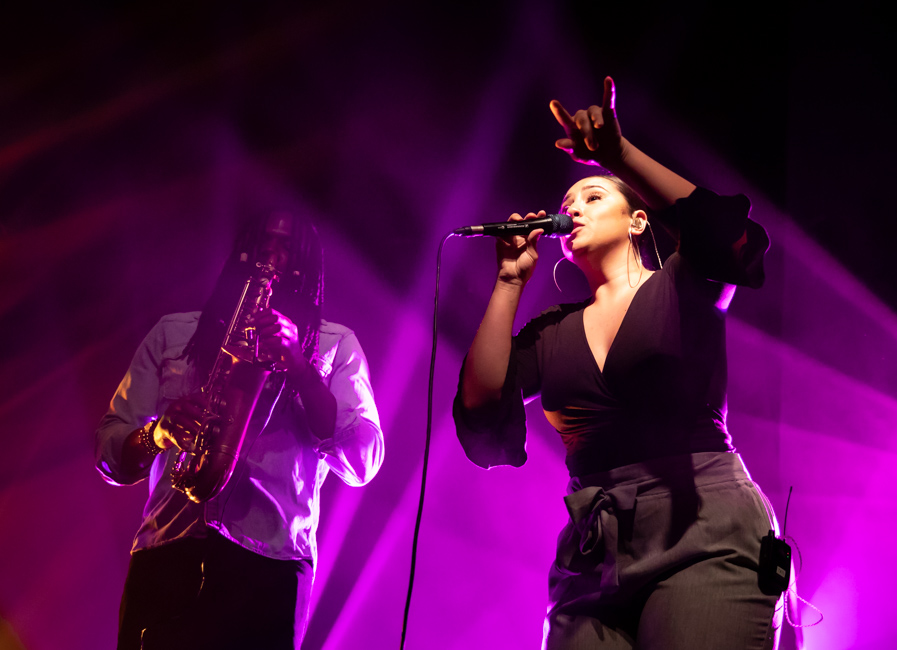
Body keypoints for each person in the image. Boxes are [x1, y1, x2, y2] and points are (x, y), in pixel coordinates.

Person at [453, 76, 782, 649]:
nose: (572, 208)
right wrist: (508, 280)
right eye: (566, 203)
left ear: (637, 222)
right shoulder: (550, 333)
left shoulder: (683, 282)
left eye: (593, 196)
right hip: (594, 554)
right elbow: (480, 409)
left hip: (704, 532)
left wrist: (616, 155)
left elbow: (724, 233)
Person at [95, 210, 384, 649]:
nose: (273, 253)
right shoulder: (175, 333)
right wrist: (157, 435)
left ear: (307, 263)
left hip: (270, 571)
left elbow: (363, 461)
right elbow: (109, 451)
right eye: (264, 240)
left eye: (288, 245)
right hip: (169, 552)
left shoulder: (335, 345)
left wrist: (303, 371)